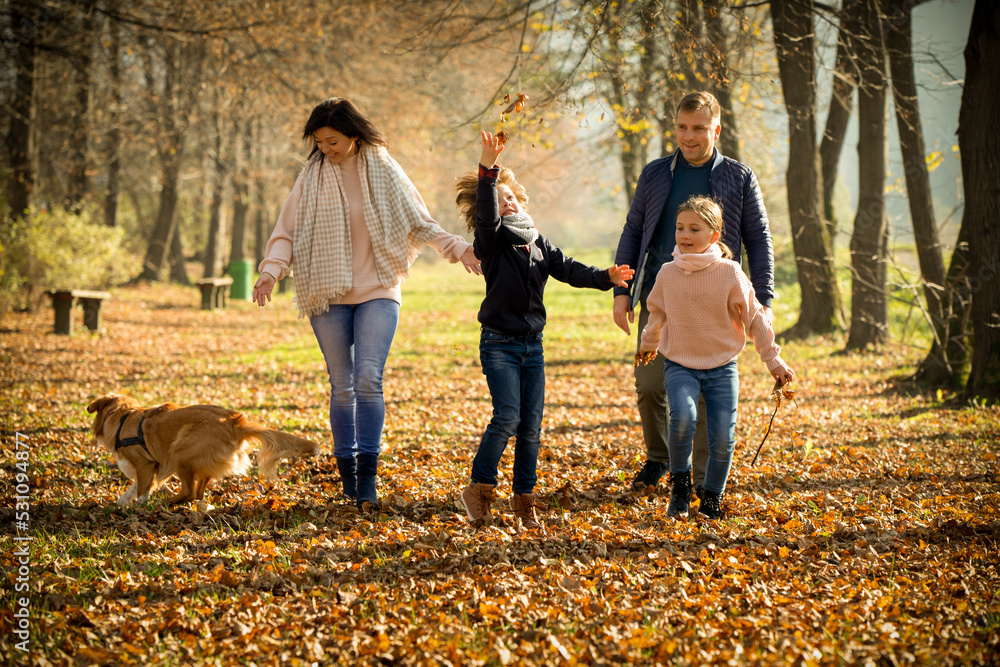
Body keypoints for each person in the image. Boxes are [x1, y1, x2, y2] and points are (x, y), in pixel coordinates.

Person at [252, 97, 482, 509]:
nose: (326, 149)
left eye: (333, 141)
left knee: (368, 379)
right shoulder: (312, 176)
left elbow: (419, 220)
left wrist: (458, 248)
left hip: (378, 287)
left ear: (354, 136)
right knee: (342, 386)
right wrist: (271, 271)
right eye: (320, 142)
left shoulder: (383, 168)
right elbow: (285, 231)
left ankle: (368, 480)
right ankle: (348, 478)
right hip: (328, 292)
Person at [455, 131, 634, 529]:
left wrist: (607, 276)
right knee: (506, 418)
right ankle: (479, 489)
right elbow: (486, 216)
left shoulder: (537, 242)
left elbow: (570, 269)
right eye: (501, 201)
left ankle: (524, 502)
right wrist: (488, 171)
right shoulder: (492, 241)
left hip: (531, 346)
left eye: (512, 197)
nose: (508, 203)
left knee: (530, 428)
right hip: (499, 344)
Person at [612, 91, 775, 498]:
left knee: (706, 397)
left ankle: (703, 482)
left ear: (715, 129)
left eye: (699, 128)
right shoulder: (654, 174)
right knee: (650, 384)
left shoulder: (739, 177)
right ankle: (659, 457)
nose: (689, 136)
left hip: (716, 302)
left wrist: (765, 299)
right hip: (661, 296)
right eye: (683, 127)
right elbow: (634, 231)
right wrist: (622, 291)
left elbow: (759, 239)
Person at [638, 195, 793, 519]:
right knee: (683, 419)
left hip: (723, 367)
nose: (684, 234)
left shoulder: (729, 272)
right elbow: (656, 313)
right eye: (680, 227)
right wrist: (647, 345)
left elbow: (754, 319)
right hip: (680, 363)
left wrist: (773, 361)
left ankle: (711, 498)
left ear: (713, 235)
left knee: (723, 437)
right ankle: (680, 486)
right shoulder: (667, 273)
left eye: (694, 228)